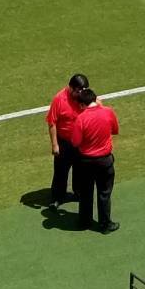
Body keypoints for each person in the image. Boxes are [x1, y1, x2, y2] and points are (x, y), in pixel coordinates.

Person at [67, 83, 120, 231]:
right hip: (105, 161)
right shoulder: (108, 112)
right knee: (104, 193)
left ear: (83, 104)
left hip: (86, 162)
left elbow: (76, 142)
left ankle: (84, 222)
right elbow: (115, 130)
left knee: (85, 193)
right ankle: (105, 224)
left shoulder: (81, 119)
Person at [45, 72, 88, 205]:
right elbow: (52, 122)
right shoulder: (59, 99)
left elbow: (96, 107)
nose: (81, 94)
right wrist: (54, 145)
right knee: (60, 171)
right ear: (71, 88)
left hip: (80, 141)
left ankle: (79, 192)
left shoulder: (84, 97)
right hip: (64, 141)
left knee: (80, 168)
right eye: (78, 91)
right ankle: (57, 196)